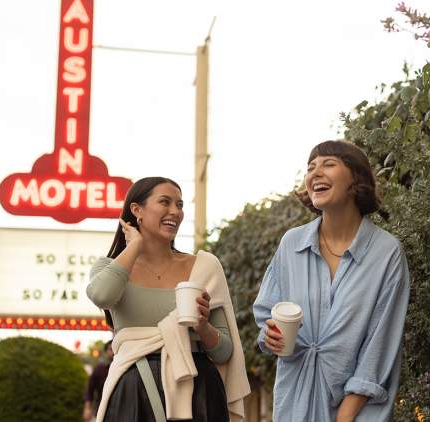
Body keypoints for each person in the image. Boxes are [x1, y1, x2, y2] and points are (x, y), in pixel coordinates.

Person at [253, 140, 410, 421]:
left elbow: (381, 343)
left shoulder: (386, 252)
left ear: (356, 179)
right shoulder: (292, 244)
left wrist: (345, 416)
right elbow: (268, 314)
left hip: (357, 411)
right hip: (295, 403)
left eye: (328, 164)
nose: (315, 173)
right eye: (311, 167)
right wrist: (272, 336)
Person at [87, 177, 250, 422]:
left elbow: (224, 352)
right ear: (136, 210)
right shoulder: (110, 267)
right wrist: (135, 246)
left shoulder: (204, 266)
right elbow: (101, 296)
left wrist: (203, 326)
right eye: (165, 202)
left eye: (180, 204)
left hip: (199, 393)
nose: (175, 211)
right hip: (134, 390)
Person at [83, 340, 113, 421]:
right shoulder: (99, 369)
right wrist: (87, 408)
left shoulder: (127, 370)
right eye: (110, 349)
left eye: (115, 348)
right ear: (106, 351)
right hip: (101, 412)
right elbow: (90, 389)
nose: (113, 352)